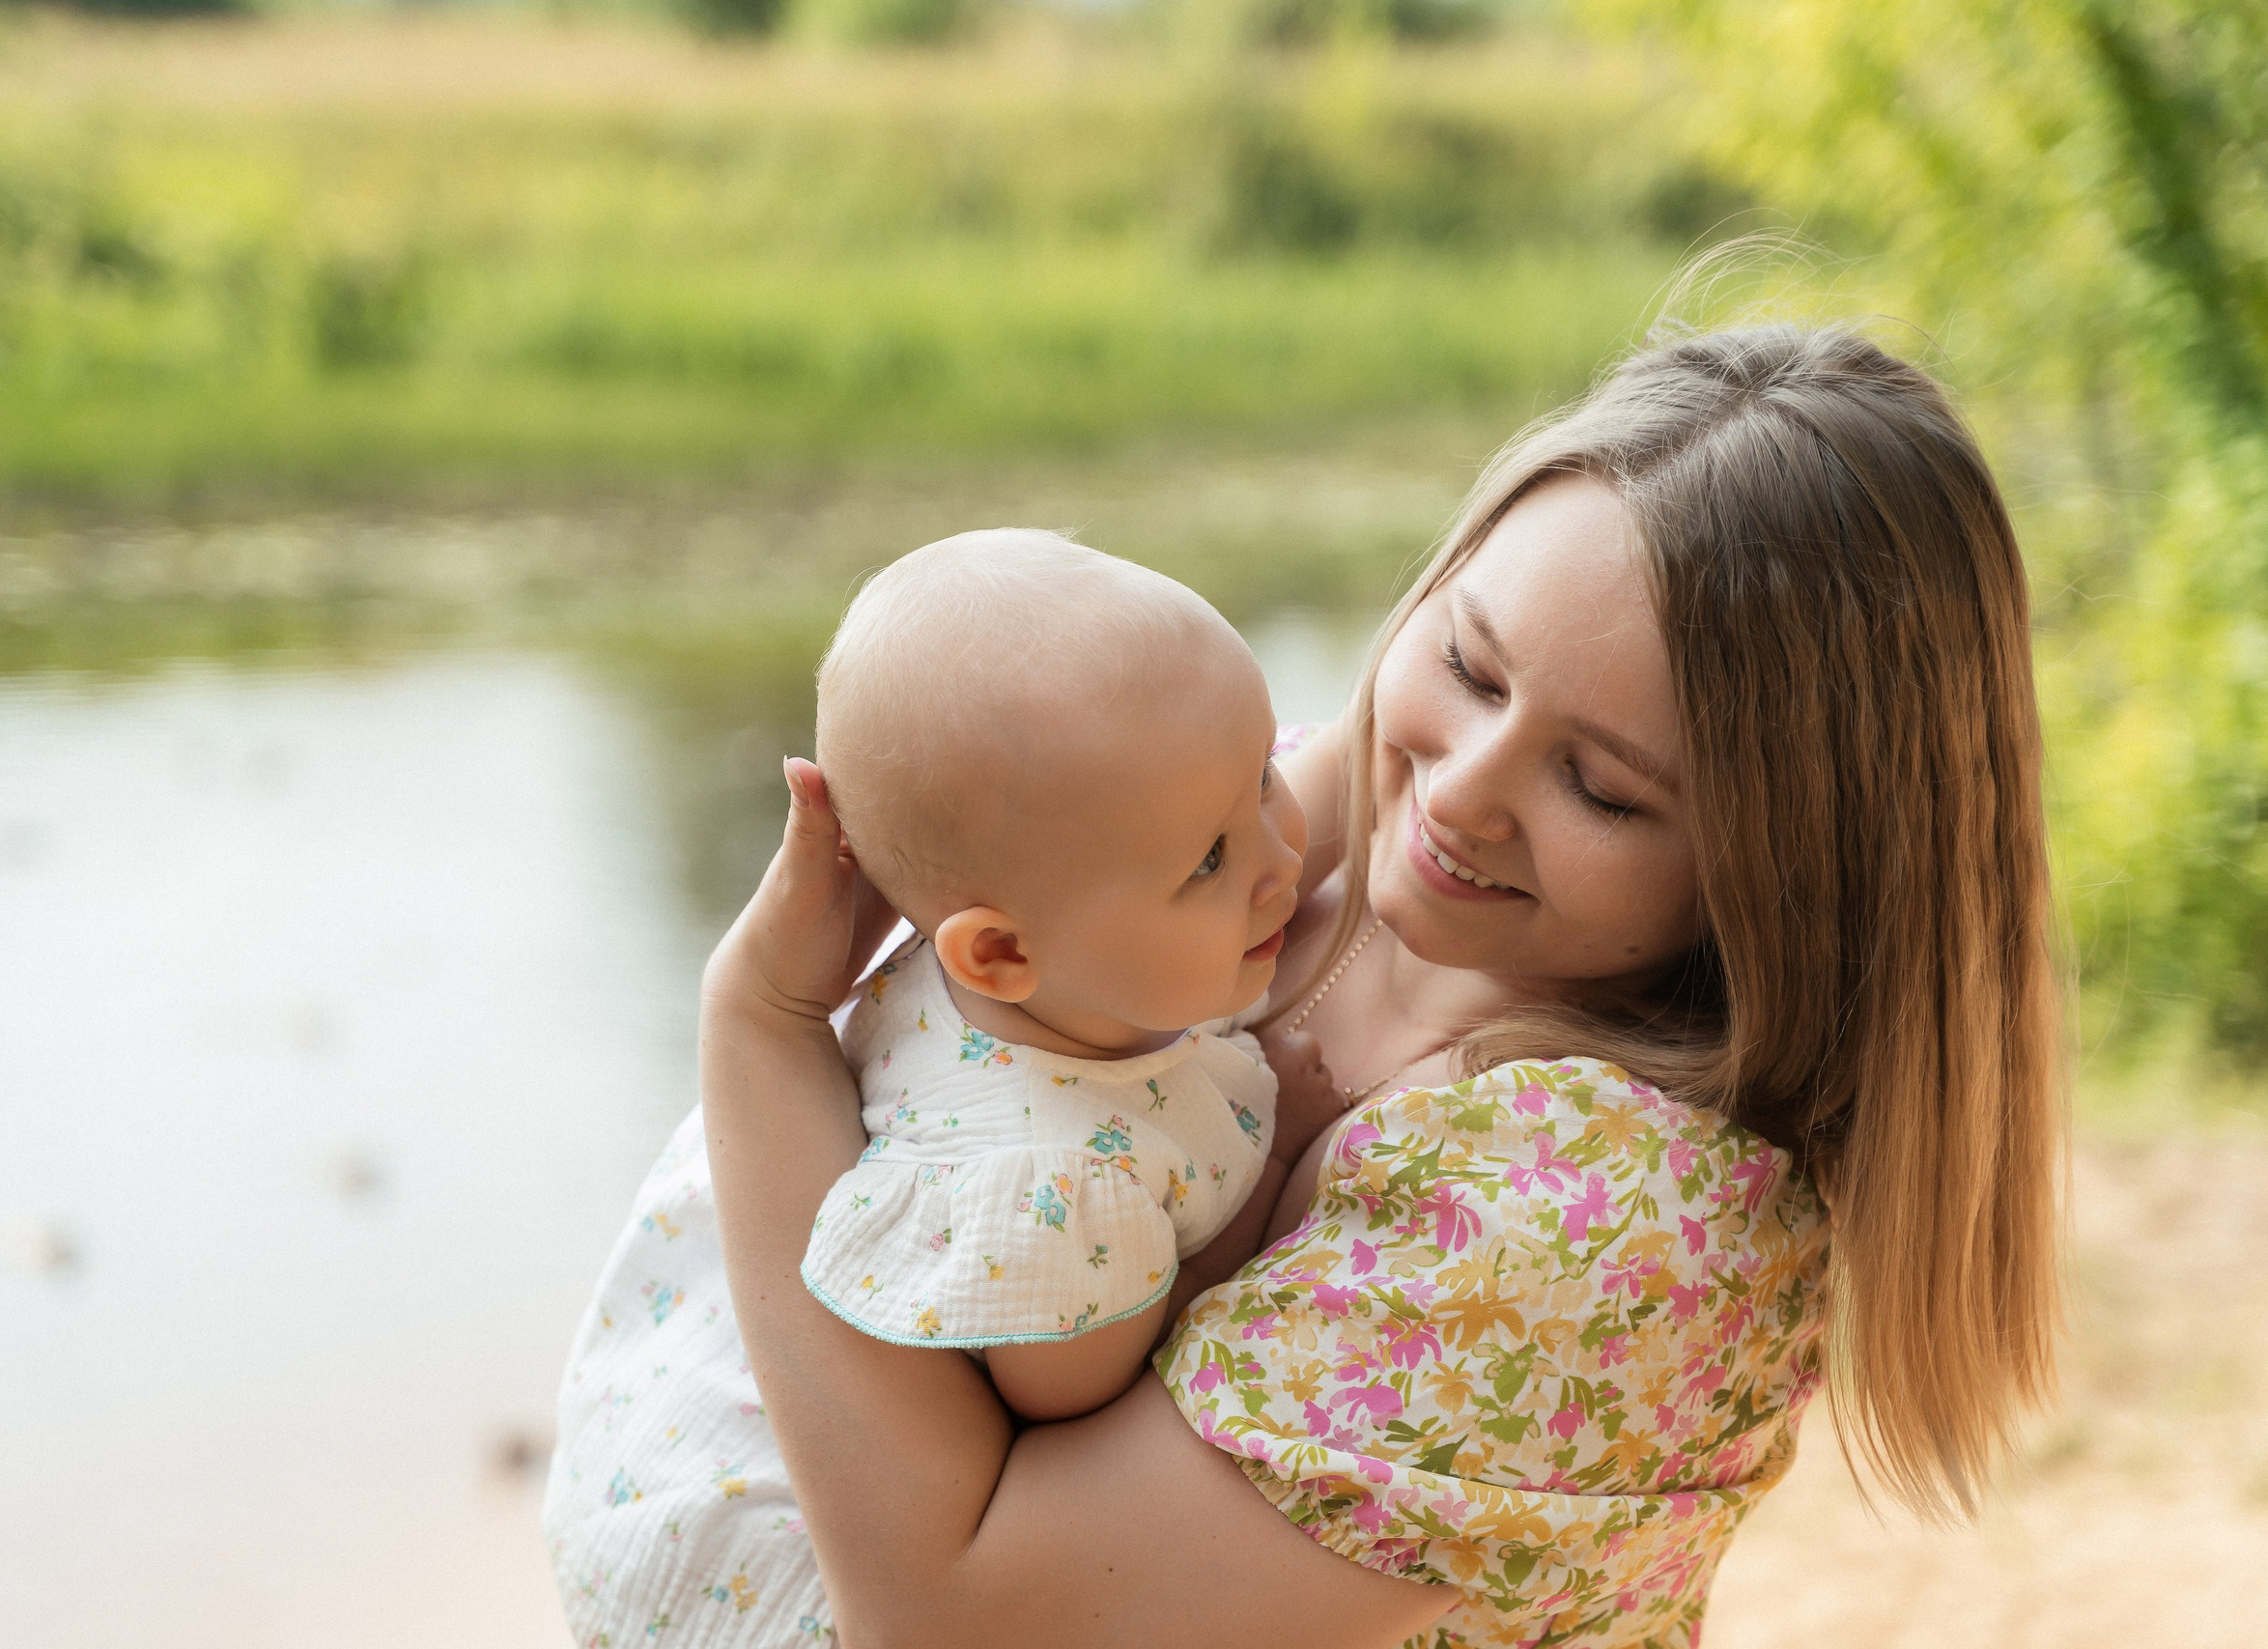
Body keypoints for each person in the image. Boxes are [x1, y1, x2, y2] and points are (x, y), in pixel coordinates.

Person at [677, 324, 2065, 1649]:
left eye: (1600, 785)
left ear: (1782, 875)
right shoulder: (1267, 841)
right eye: (1467, 660)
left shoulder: (1608, 1221)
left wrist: (759, 1022)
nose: (1457, 791)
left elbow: (950, 1623)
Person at [545, 531, 1350, 1645]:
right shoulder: (1059, 1190)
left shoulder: (1059, 941)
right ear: (999, 958)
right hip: (765, 1571)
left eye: (1261, 772)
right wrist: (1278, 1172)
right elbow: (1083, 1395)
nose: (1280, 856)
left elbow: (1251, 815)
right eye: (1208, 861)